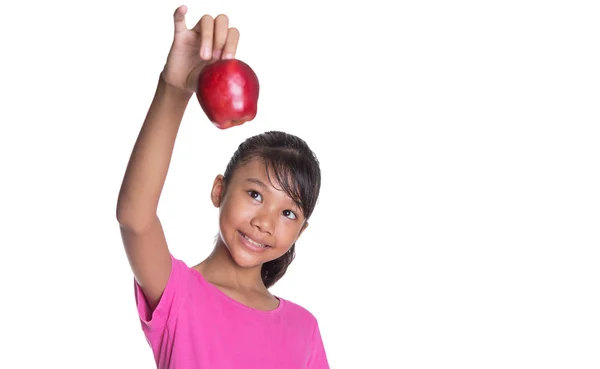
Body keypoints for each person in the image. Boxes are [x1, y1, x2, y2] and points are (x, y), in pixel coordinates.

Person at [116, 5, 329, 369]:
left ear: (301, 229)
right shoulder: (177, 293)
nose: (265, 221)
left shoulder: (304, 329)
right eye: (255, 194)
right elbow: (135, 219)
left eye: (288, 212)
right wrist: (174, 89)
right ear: (219, 190)